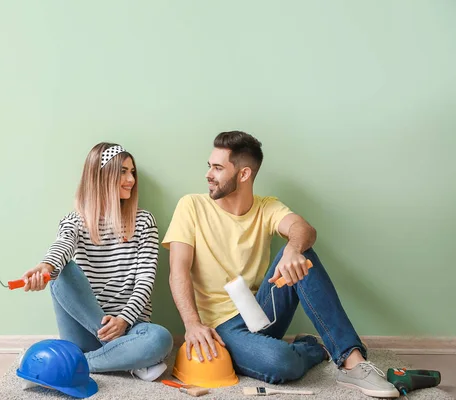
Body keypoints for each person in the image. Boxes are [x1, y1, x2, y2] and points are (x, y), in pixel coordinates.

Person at [162, 131, 399, 398]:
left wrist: (292, 249)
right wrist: (192, 324)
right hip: (222, 325)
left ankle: (352, 361)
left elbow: (303, 228)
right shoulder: (191, 206)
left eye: (218, 168)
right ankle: (311, 348)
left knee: (303, 252)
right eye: (210, 166)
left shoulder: (266, 207)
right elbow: (178, 271)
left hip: (261, 312)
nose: (208, 174)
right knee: (279, 363)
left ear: (243, 174)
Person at [23, 142, 173, 382]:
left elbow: (146, 280)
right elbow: (63, 244)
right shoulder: (75, 221)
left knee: (160, 338)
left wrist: (123, 321)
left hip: (130, 328)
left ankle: (78, 363)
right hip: (84, 329)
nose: (131, 179)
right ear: (101, 176)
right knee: (62, 271)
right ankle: (125, 358)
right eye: (123, 171)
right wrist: (47, 266)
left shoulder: (144, 221)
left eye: (132, 172)